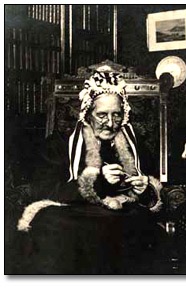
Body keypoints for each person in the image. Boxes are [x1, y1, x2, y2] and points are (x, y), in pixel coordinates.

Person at [13, 70, 164, 274]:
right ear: (87, 114)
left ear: (124, 113)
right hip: (72, 216)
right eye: (101, 115)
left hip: (122, 218)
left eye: (116, 114)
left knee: (134, 227)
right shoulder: (61, 143)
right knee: (53, 225)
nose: (110, 123)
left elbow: (152, 196)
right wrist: (98, 181)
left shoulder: (134, 145)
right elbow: (44, 191)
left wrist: (144, 189)